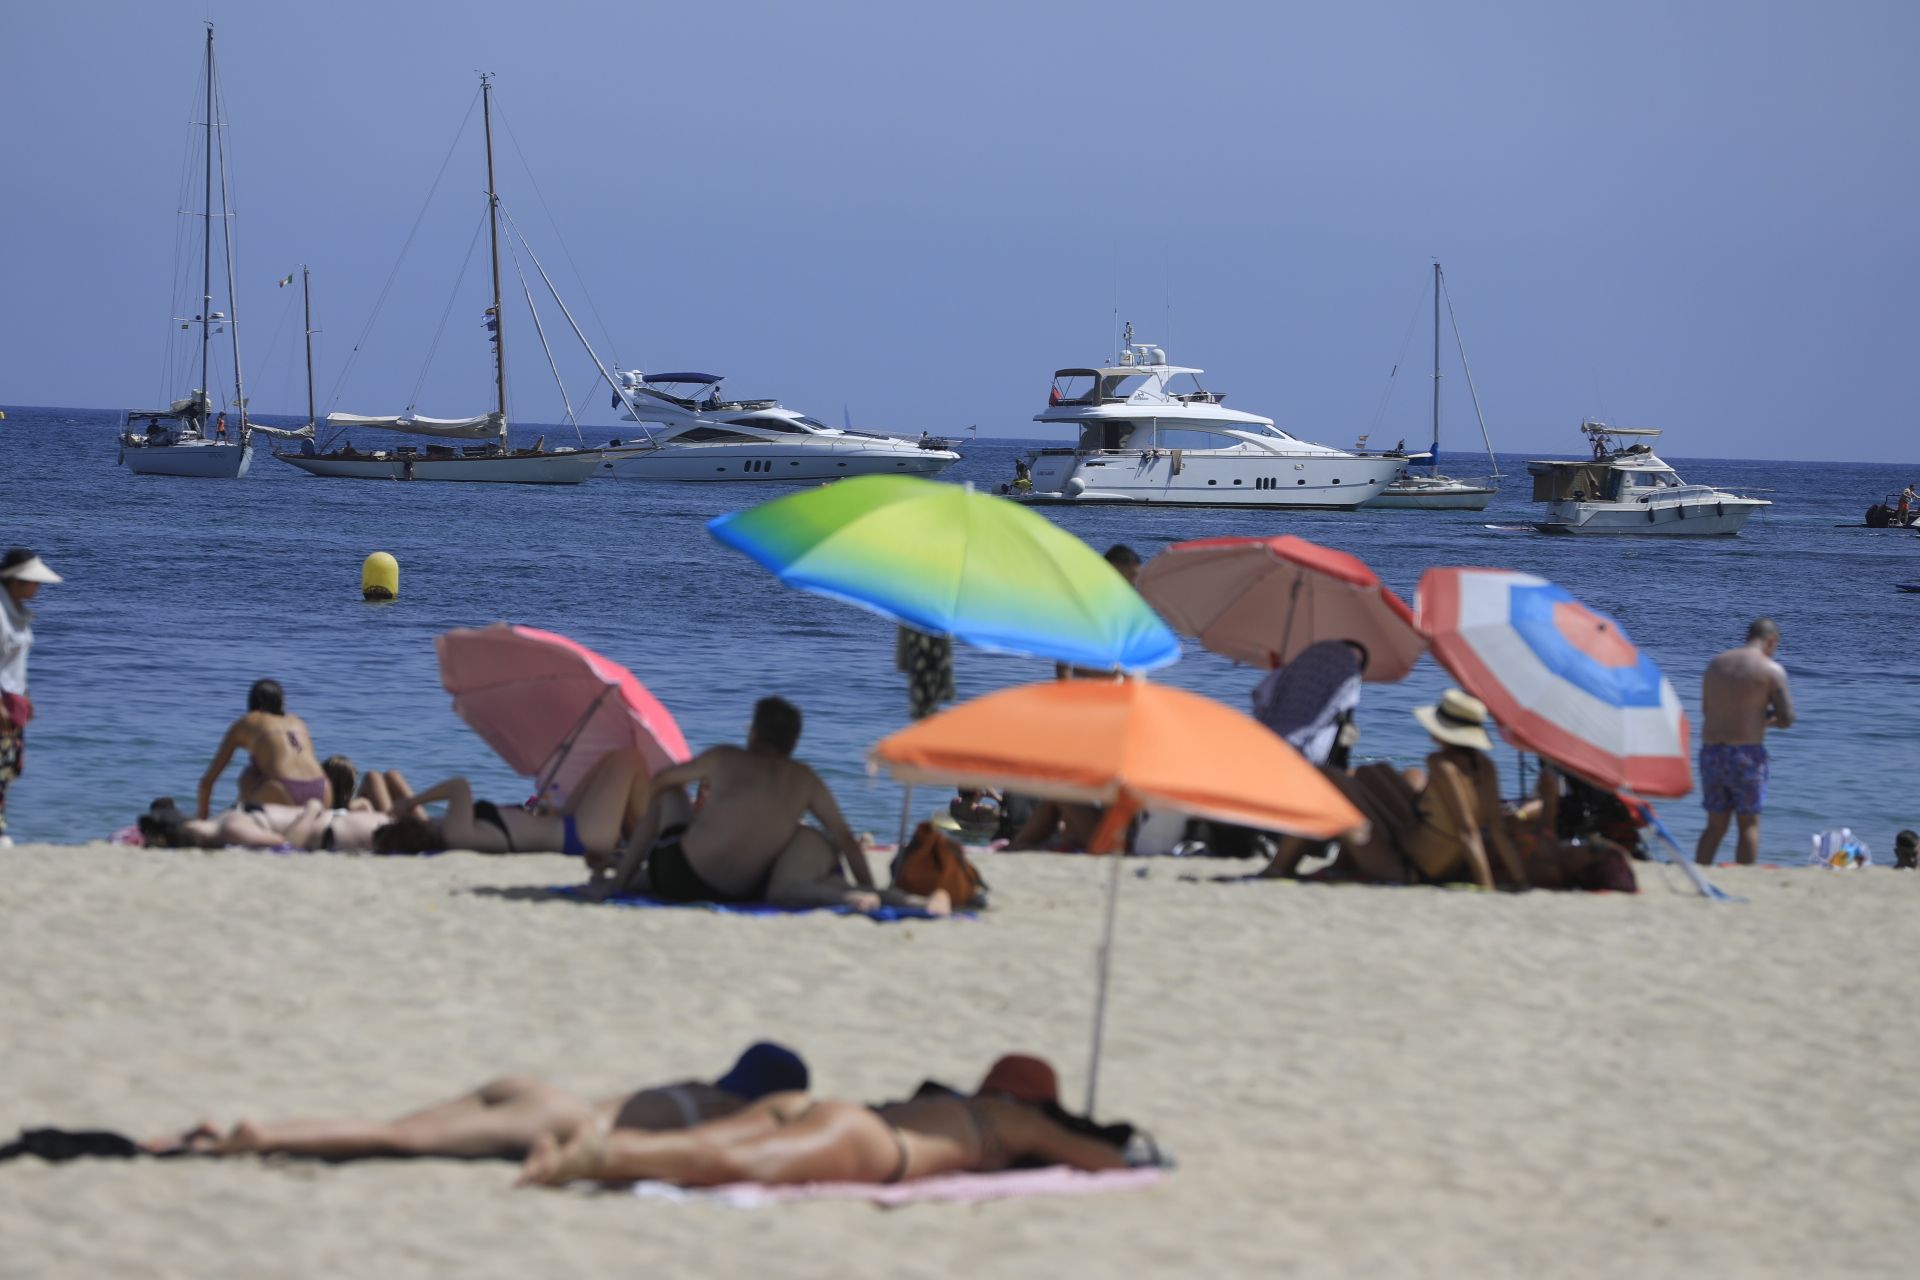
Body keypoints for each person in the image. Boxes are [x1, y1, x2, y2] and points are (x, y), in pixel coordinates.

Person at [516, 1053, 1128, 1190]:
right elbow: (1111, 1163)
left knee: (705, 1142)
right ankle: (593, 1161)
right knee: (739, 1167)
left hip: (837, 1110)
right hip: (873, 1142)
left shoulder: (969, 1104)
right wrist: (1074, 1134)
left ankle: (598, 1141)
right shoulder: (1021, 1122)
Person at [147, 1042, 809, 1162]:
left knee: (390, 1128)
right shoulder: (723, 1116)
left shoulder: (697, 1086)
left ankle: (232, 1134)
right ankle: (258, 1138)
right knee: (395, 1142)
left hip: (538, 1090)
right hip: (559, 1121)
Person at [591, 698, 947, 913]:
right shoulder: (804, 778)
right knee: (804, 836)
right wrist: (870, 886)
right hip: (743, 890)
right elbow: (845, 840)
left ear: (754, 733)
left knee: (667, 795)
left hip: (679, 877)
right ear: (793, 741)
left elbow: (662, 782)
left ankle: (620, 882)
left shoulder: (724, 757)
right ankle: (886, 899)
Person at [370, 749, 656, 857]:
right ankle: (649, 839)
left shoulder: (449, 832)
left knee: (605, 759)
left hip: (565, 821)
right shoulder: (455, 834)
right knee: (627, 758)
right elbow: (460, 786)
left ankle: (639, 836)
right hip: (579, 835)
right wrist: (412, 801)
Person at [1400, 689, 1526, 889]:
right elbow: (1497, 830)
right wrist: (1521, 882)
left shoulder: (1441, 764)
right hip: (1455, 863)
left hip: (1417, 865)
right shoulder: (1485, 766)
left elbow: (1467, 831)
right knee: (1398, 774)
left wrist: (1487, 888)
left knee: (1361, 777)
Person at [1695, 618, 1793, 866]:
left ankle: (1699, 876)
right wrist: (1762, 718)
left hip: (1712, 752)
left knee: (1715, 826)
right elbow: (1787, 718)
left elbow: (1707, 709)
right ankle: (1744, 877)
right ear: (1772, 641)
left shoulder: (1716, 664)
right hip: (1747, 754)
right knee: (1748, 824)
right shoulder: (1771, 670)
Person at [196, 679, 331, 819]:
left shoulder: (248, 721)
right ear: (282, 702)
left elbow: (207, 782)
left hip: (282, 789)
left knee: (248, 776)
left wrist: (202, 820)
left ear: (253, 702)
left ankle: (244, 817)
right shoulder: (297, 722)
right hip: (322, 788)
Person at [0, 548, 61, 847]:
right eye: (33, 582)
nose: (38, 587)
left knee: (10, 765)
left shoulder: (18, 612)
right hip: (1, 700)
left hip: (13, 700)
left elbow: (14, 664)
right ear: (16, 581)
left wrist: (26, 696)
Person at [1250, 640, 1369, 768]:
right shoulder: (1320, 738)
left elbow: (1261, 699)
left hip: (1266, 743)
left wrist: (1279, 674)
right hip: (1309, 759)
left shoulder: (1292, 675)